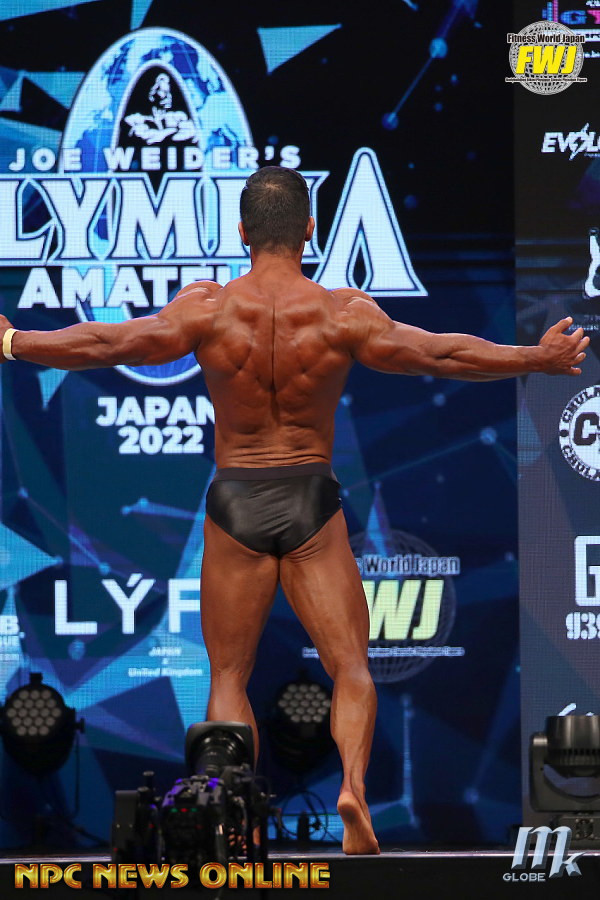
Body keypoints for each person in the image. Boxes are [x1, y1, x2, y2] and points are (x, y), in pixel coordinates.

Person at [0, 166, 588, 855]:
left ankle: (233, 812)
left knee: (228, 674)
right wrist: (535, 357)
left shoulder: (207, 308)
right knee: (351, 667)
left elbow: (109, 344)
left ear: (241, 232)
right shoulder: (342, 313)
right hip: (310, 495)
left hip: (237, 497)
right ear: (311, 229)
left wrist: (14, 341)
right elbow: (441, 353)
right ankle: (354, 791)